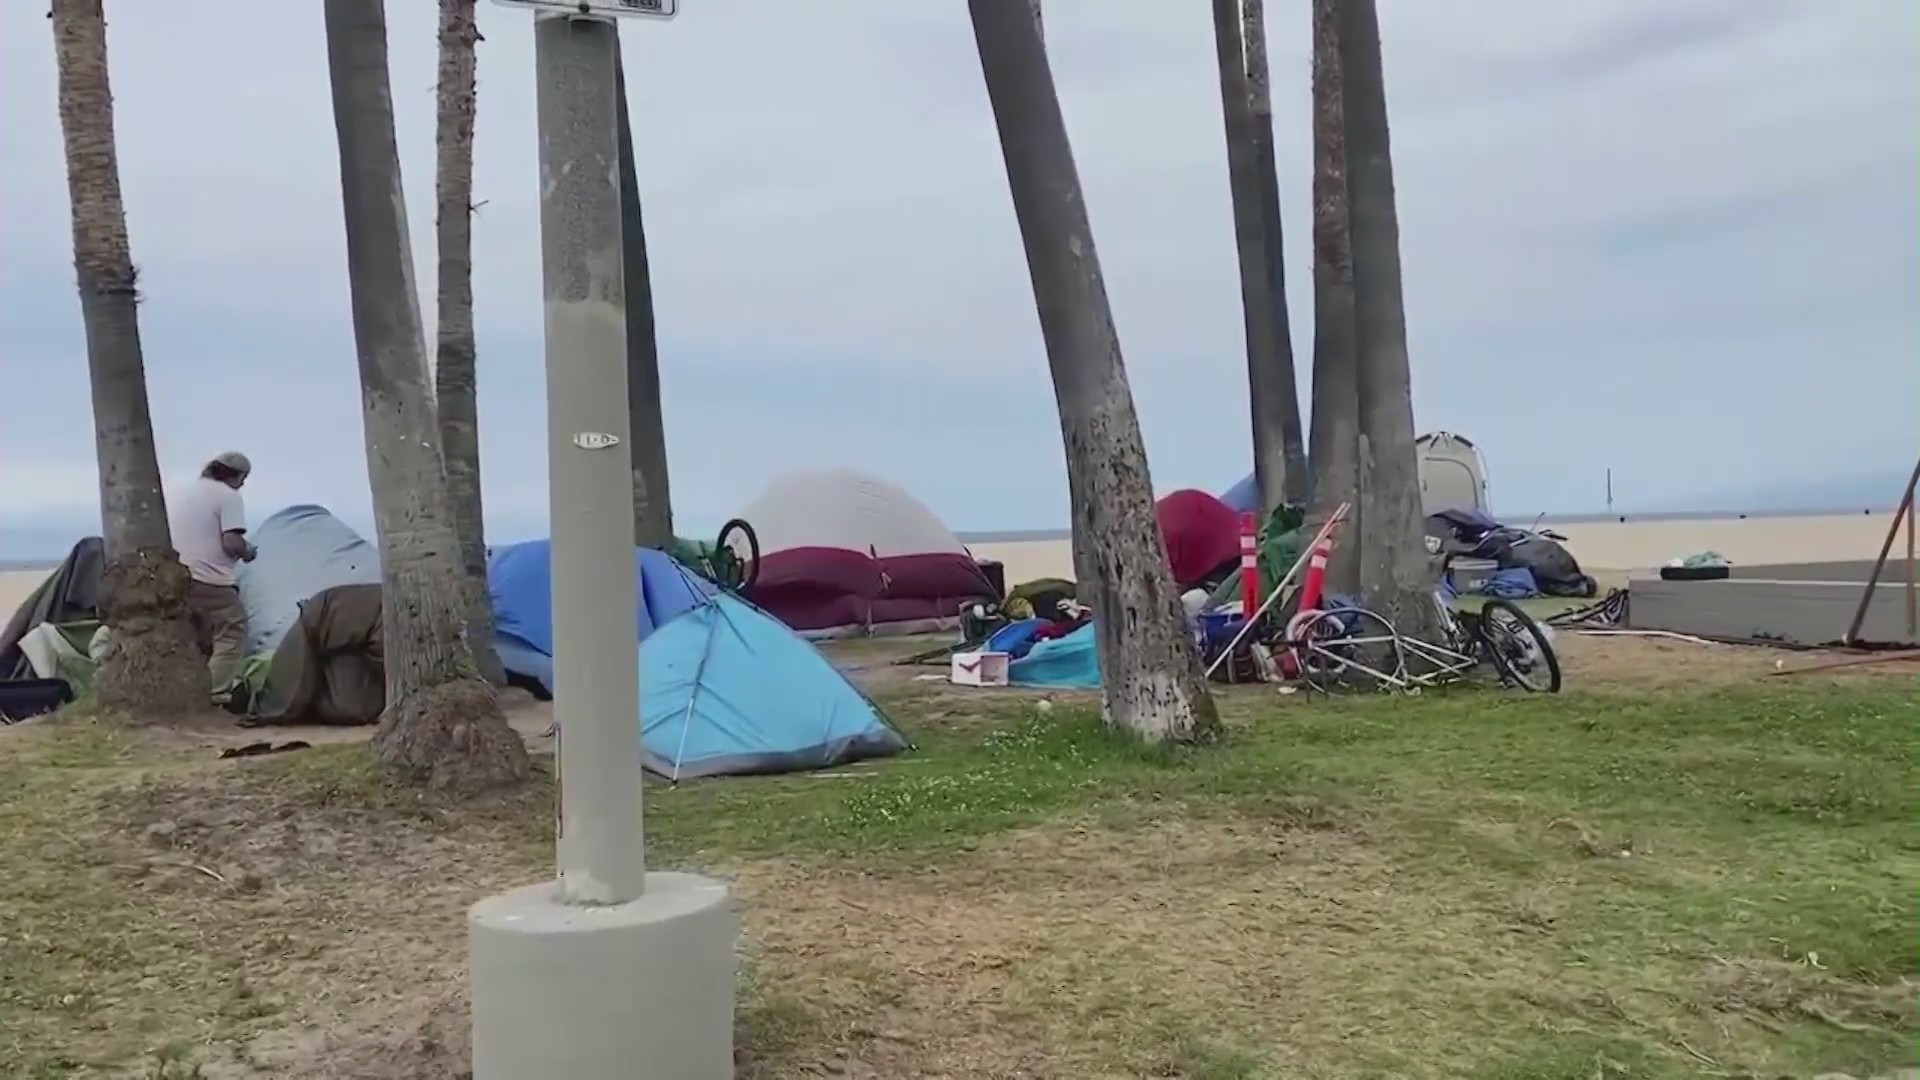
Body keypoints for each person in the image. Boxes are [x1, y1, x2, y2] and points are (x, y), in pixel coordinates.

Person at [168, 451, 258, 702]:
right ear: (236, 476)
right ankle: (215, 693)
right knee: (232, 628)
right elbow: (231, 542)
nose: (242, 484)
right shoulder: (228, 497)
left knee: (198, 636)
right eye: (243, 478)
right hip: (209, 577)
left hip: (178, 575)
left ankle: (188, 689)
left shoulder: (188, 492)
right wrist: (247, 551)